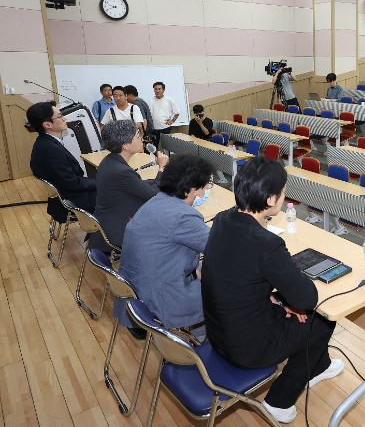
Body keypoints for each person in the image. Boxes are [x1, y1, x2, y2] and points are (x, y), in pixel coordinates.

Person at [201, 157, 343, 424]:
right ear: (269, 200)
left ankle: (319, 365)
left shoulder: (223, 219)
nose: (284, 195)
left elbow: (237, 273)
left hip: (217, 333)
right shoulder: (266, 244)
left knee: (297, 313)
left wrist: (280, 298)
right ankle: (279, 401)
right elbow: (308, 297)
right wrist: (290, 292)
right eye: (282, 191)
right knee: (323, 321)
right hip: (246, 348)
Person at [113, 153, 213, 331]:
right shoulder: (184, 216)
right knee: (228, 287)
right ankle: (202, 343)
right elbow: (220, 247)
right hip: (160, 299)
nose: (206, 192)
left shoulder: (156, 201)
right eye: (205, 187)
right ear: (192, 190)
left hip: (136, 291)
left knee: (206, 270)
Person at [88, 120, 168, 252]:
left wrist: (154, 181)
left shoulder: (110, 160)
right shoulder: (121, 171)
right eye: (137, 136)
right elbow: (153, 194)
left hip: (107, 221)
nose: (142, 139)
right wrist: (162, 168)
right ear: (125, 146)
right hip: (118, 231)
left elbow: (136, 185)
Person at [29, 101, 97, 215]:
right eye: (60, 116)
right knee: (118, 193)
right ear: (47, 124)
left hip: (66, 194)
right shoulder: (50, 150)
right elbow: (73, 184)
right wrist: (98, 183)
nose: (64, 118)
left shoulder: (44, 142)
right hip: (72, 199)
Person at [149, 82, 181, 149]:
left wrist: (172, 120)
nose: (157, 91)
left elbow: (177, 112)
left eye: (159, 89)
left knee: (167, 146)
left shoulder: (168, 100)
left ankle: (167, 159)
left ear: (163, 90)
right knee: (154, 147)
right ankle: (155, 159)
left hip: (165, 127)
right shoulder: (150, 100)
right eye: (155, 89)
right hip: (154, 128)